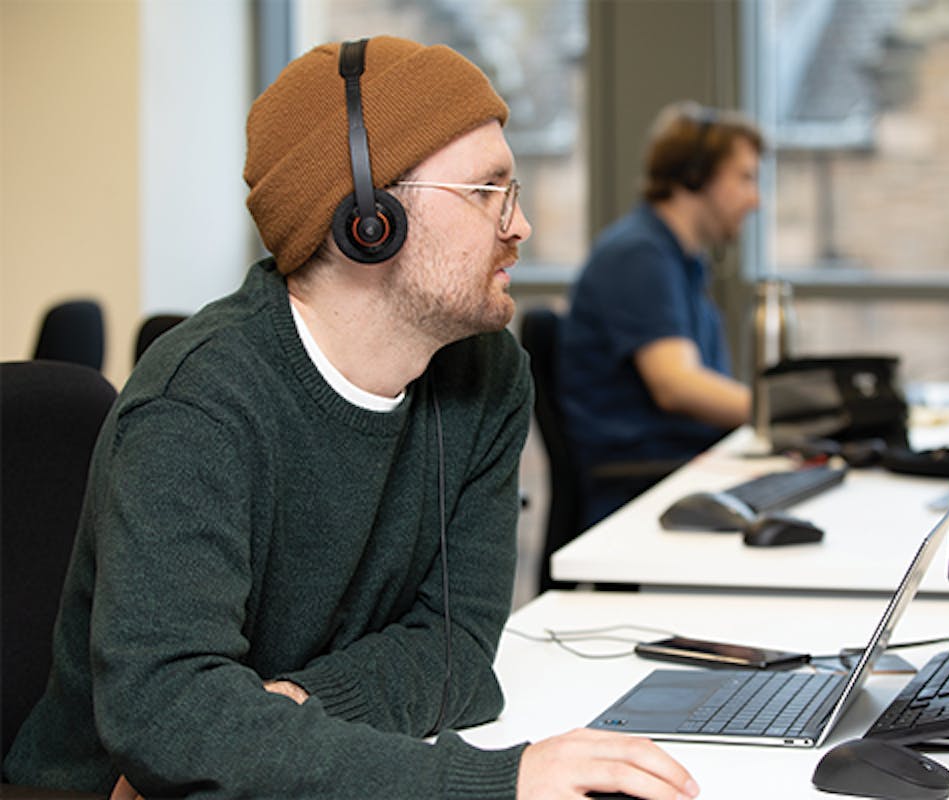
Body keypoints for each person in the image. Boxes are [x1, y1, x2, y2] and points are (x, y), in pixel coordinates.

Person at [3, 37, 698, 800]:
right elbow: (167, 715)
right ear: (368, 219)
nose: (520, 224)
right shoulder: (200, 404)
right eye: (487, 191)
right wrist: (490, 784)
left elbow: (457, 647)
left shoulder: (488, 376)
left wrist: (296, 707)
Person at [558, 101, 763, 527]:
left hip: (677, 477)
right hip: (643, 494)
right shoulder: (639, 256)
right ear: (696, 175)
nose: (755, 199)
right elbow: (676, 384)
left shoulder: (681, 261)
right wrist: (777, 415)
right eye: (745, 178)